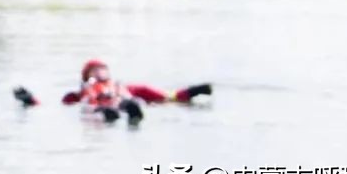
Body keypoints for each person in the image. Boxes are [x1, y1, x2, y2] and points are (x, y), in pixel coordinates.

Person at [13, 59, 212, 124]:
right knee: (103, 113)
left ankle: (132, 115)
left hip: (124, 103)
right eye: (95, 70)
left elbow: (167, 96)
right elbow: (52, 108)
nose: (100, 73)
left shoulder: (126, 87)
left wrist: (194, 91)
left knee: (130, 105)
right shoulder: (78, 94)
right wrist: (29, 99)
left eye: (103, 69)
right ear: (86, 75)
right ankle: (116, 117)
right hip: (97, 109)